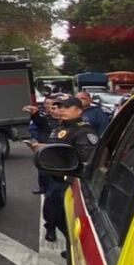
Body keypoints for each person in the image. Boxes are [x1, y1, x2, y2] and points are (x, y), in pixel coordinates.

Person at [31, 96, 98, 243]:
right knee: (53, 211)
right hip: (55, 178)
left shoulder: (84, 132)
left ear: (78, 110)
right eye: (59, 107)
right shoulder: (60, 128)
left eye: (65, 107)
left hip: (71, 181)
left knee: (69, 220)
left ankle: (71, 251)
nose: (61, 110)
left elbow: (86, 159)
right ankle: (54, 231)